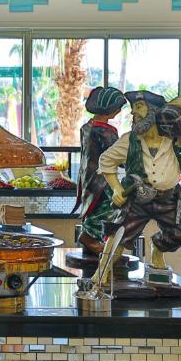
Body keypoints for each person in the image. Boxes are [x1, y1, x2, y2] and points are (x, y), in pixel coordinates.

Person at [98, 91, 181, 271]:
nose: (133, 112)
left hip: (168, 199)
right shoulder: (129, 140)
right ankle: (101, 274)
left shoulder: (173, 138)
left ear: (154, 111)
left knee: (180, 234)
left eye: (139, 107)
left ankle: (157, 248)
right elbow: (106, 161)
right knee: (119, 234)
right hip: (137, 199)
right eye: (133, 108)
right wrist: (116, 188)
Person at [74, 87, 126, 256]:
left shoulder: (86, 127)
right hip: (103, 179)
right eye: (118, 108)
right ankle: (89, 237)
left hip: (88, 176)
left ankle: (94, 238)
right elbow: (117, 155)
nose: (119, 112)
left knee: (93, 206)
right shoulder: (106, 132)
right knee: (108, 207)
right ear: (109, 109)